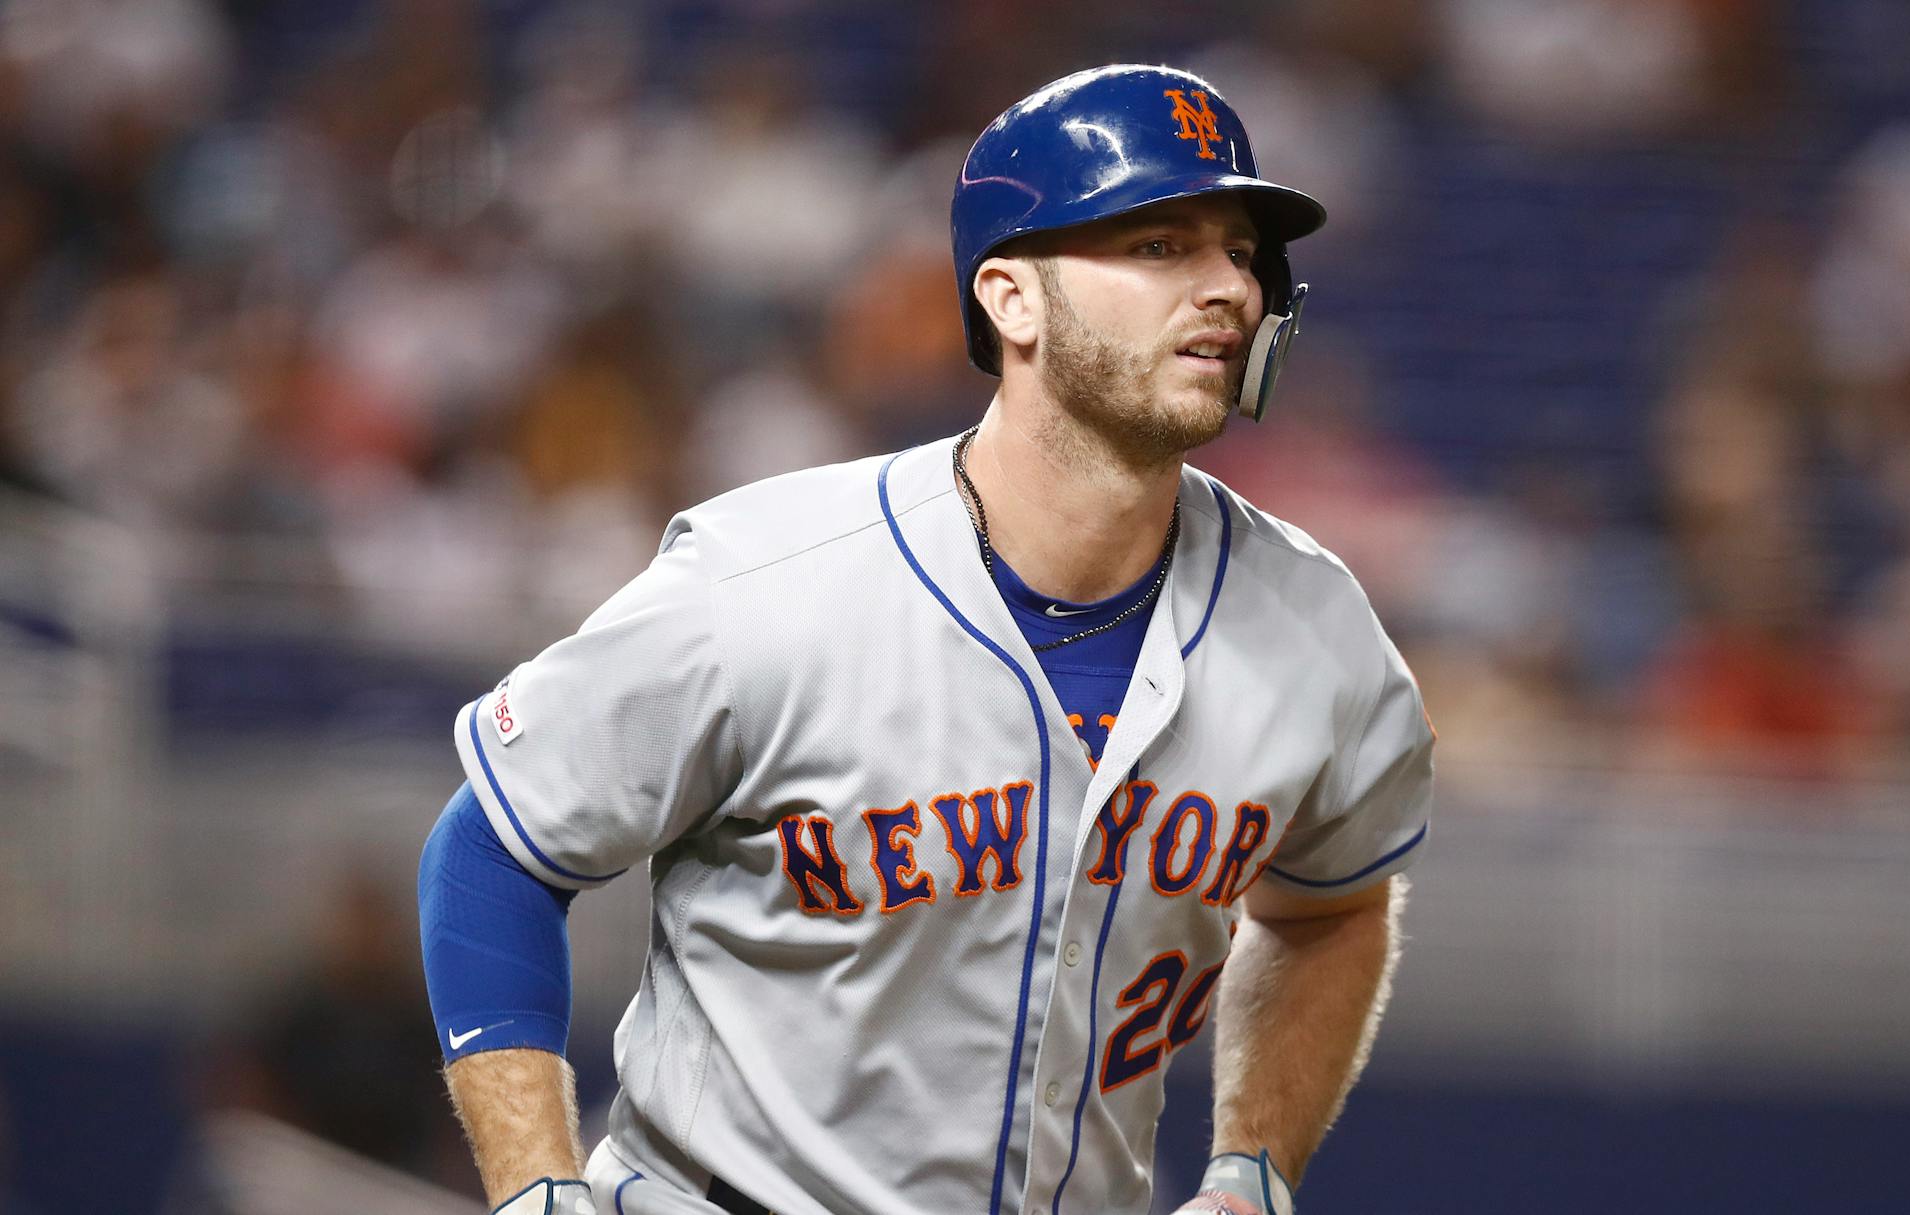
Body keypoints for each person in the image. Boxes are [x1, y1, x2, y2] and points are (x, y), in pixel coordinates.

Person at [417, 64, 1432, 1215]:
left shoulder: (1315, 628)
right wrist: (532, 1186)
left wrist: (1253, 1165)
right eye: (1159, 246)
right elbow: (494, 848)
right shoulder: (769, 579)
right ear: (1011, 300)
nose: (1229, 289)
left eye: (1241, 253)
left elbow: (1333, 910)